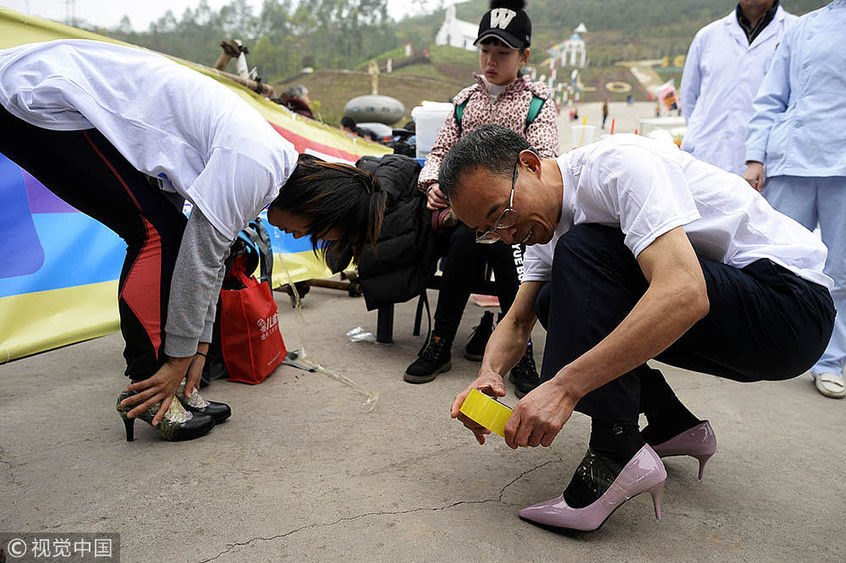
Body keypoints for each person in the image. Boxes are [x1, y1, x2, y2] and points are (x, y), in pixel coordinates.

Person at [444, 124, 833, 532]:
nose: (505, 236)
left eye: (501, 215)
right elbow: (519, 320)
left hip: (791, 308)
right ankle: (670, 419)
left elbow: (685, 293)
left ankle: (616, 451)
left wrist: (564, 387)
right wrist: (489, 374)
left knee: (583, 251)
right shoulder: (543, 225)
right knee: (551, 299)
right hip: (745, 311)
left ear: (530, 165)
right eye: (489, 232)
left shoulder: (615, 168)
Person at [0, 39, 386, 441]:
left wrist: (196, 355)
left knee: (167, 231)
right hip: (43, 95)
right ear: (317, 203)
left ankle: (172, 390)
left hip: (65, 94)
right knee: (154, 234)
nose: (301, 236)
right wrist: (174, 364)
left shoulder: (268, 165)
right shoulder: (254, 167)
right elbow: (197, 263)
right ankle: (149, 390)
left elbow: (212, 262)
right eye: (317, 230)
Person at [407, 0, 559, 393]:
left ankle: (516, 348)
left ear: (523, 56)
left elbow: (543, 159)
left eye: (503, 52)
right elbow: (439, 152)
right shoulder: (464, 101)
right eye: (486, 50)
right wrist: (434, 183)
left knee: (505, 249)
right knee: (465, 241)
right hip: (467, 214)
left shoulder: (537, 101)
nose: (492, 60)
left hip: (512, 211)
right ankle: (441, 342)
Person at [743, 1, 846, 399]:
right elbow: (772, 96)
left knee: (840, 269)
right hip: (792, 156)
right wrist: (756, 156)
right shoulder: (805, 28)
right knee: (774, 258)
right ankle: (762, 346)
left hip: (842, 168)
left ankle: (831, 360)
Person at [681, 0, 795, 175]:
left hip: (765, 164)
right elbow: (689, 96)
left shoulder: (796, 31)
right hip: (707, 154)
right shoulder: (707, 36)